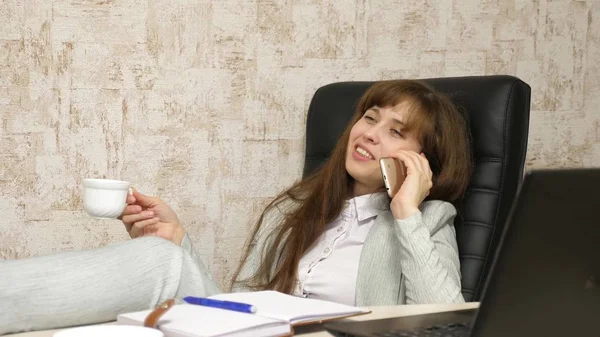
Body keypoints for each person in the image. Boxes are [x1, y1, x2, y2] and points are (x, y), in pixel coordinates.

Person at [0, 80, 473, 334]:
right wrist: (181, 244)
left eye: (396, 130)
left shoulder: (428, 221)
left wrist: (408, 208)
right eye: (369, 118)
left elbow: (448, 320)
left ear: (422, 159)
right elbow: (242, 308)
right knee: (160, 259)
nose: (370, 133)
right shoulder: (297, 209)